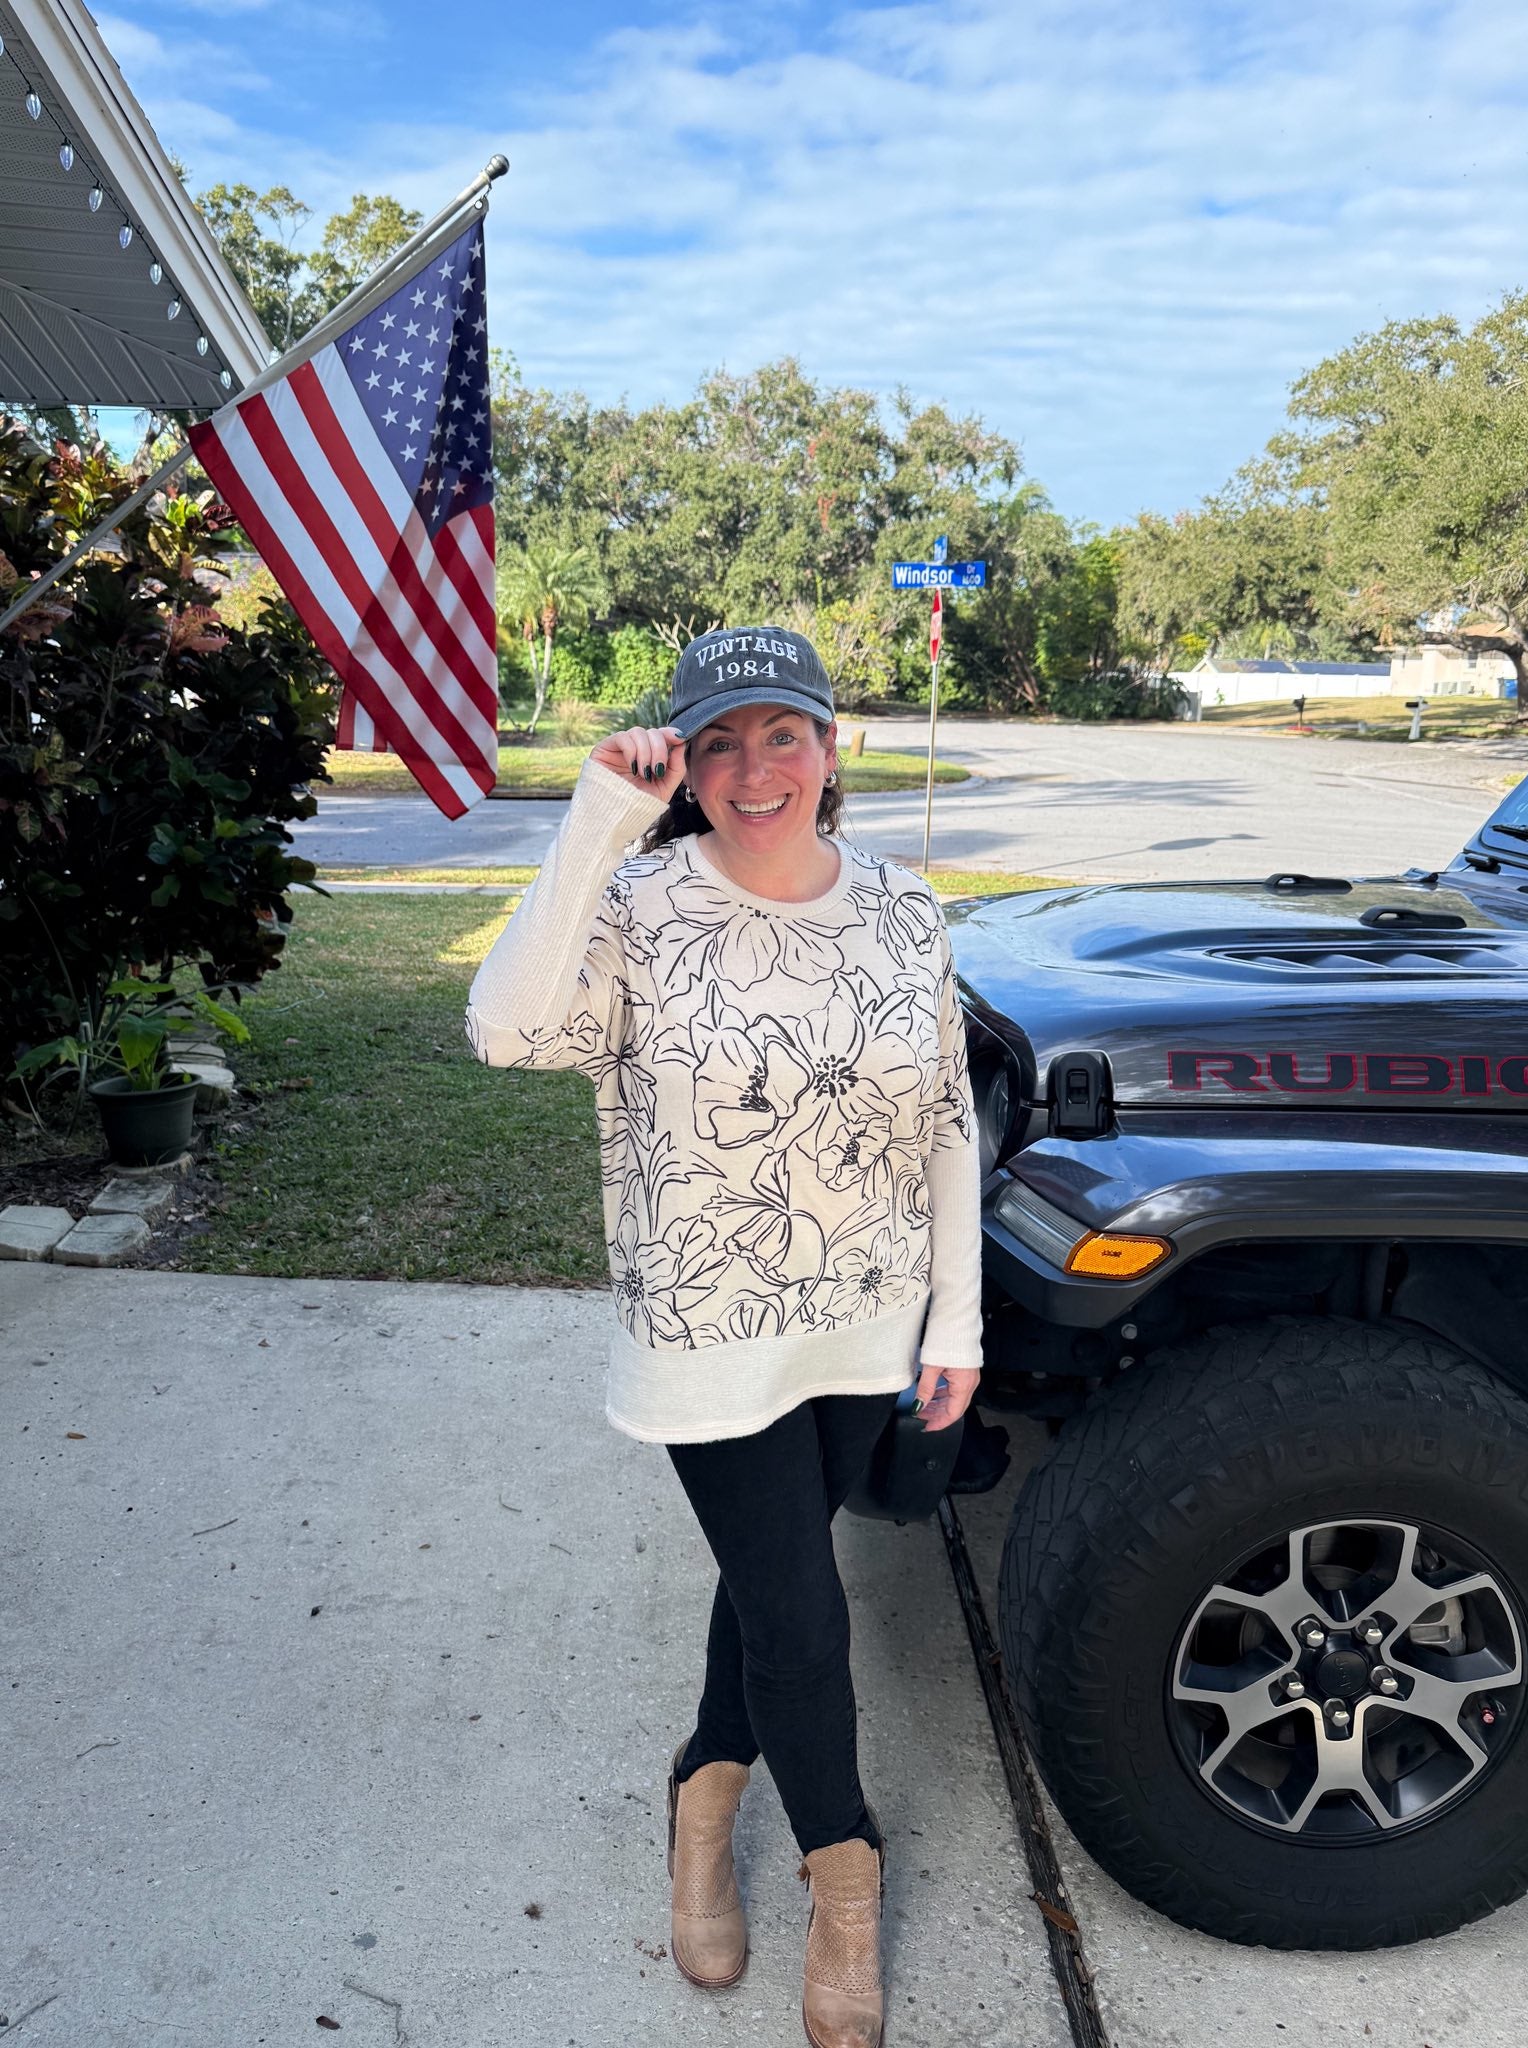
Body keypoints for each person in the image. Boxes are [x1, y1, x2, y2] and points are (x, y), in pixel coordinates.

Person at [465, 624, 981, 2048]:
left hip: (865, 1325)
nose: (755, 767)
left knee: (771, 1585)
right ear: (685, 768)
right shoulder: (637, 904)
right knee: (804, 1619)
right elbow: (504, 1031)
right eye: (717, 742)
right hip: (706, 1334)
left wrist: (963, 1324)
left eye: (783, 733)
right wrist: (592, 818)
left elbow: (945, 1123)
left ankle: (703, 1798)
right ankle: (846, 1883)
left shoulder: (906, 910)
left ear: (833, 746)